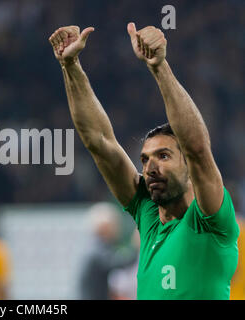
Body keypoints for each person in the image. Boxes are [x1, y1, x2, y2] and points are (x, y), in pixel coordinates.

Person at [48, 23, 239, 299]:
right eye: (145, 159)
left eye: (163, 156)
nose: (150, 167)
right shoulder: (148, 216)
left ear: (188, 169)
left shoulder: (209, 220)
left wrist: (159, 67)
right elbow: (100, 142)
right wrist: (70, 65)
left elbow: (197, 148)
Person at [79, 202, 137, 300]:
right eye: (115, 225)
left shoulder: (95, 246)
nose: (118, 229)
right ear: (105, 227)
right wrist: (136, 246)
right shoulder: (97, 249)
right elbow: (121, 262)